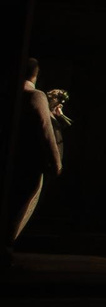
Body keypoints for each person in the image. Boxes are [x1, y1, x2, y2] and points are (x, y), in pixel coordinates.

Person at [6, 58, 65, 259]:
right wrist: (56, 162)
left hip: (14, 161)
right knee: (21, 207)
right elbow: (45, 131)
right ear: (36, 75)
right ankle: (6, 250)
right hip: (29, 163)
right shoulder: (35, 95)